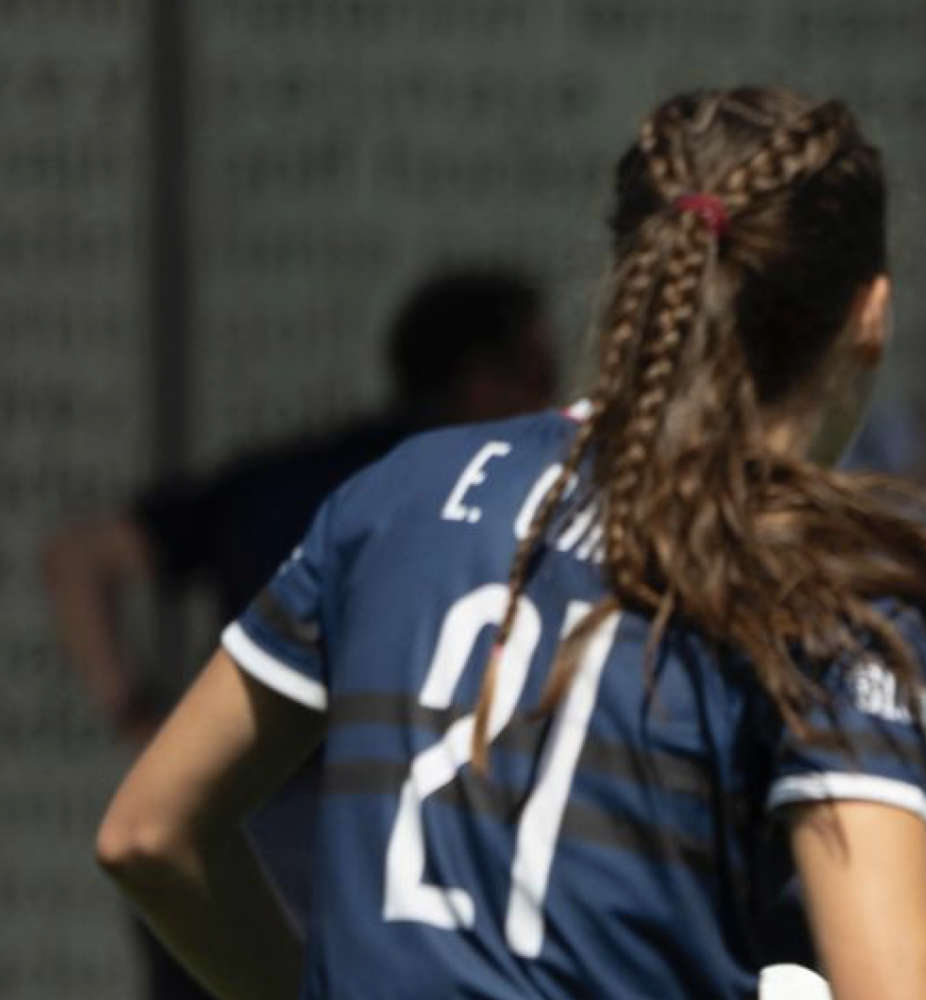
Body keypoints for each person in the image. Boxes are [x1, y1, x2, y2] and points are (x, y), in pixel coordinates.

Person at [92, 86, 926, 1000]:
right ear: (870, 314)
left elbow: (148, 833)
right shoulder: (827, 570)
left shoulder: (399, 491)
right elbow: (895, 979)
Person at [44, 266, 553, 1000]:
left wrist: (138, 716)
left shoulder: (310, 479)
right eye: (539, 371)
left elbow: (77, 558)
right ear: (481, 379)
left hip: (228, 833)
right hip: (350, 847)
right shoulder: (431, 503)